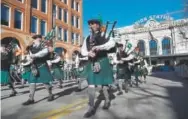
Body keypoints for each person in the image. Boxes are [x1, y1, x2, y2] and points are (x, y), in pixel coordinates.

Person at [81, 18, 115, 118]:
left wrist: (99, 47)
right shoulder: (87, 38)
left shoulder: (105, 34)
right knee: (91, 84)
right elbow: (83, 50)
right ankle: (91, 108)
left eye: (95, 23)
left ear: (99, 25)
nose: (93, 25)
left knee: (104, 84)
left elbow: (111, 44)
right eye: (91, 24)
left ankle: (107, 100)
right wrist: (88, 53)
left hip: (103, 61)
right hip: (92, 62)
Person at [22, 34, 54, 105]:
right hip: (34, 66)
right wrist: (27, 60)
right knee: (32, 82)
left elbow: (44, 52)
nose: (36, 39)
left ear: (40, 39)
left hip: (42, 65)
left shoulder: (44, 45)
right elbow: (29, 56)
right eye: (35, 38)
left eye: (37, 38)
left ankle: (50, 94)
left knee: (45, 82)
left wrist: (35, 55)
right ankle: (31, 99)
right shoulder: (30, 47)